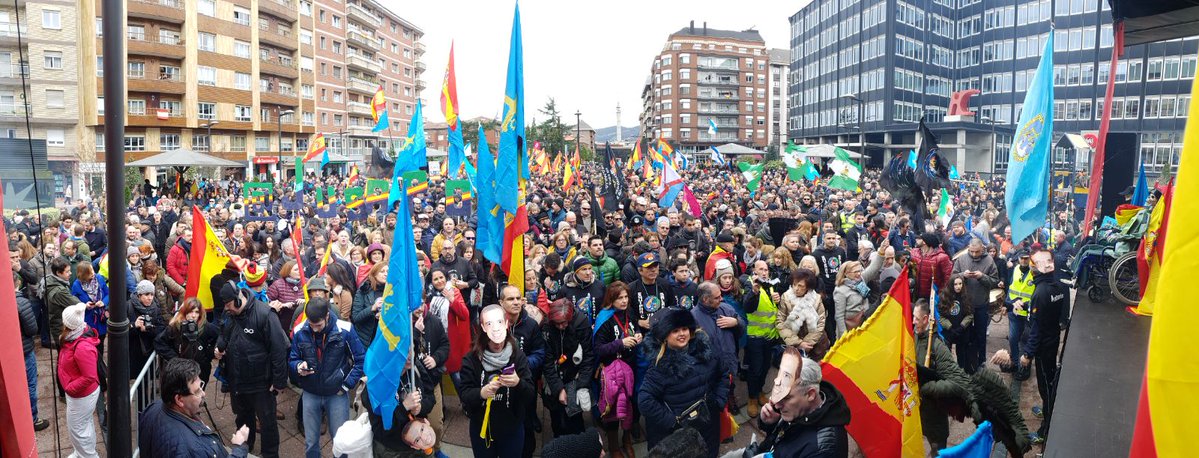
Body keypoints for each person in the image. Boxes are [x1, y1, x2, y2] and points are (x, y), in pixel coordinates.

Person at [214, 281, 291, 458]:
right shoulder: (229, 313)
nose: (227, 309)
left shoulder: (265, 314)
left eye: (229, 304)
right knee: (242, 418)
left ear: (239, 300)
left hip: (261, 384)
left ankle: (270, 454)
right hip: (237, 381)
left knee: (267, 422)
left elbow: (278, 350)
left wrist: (279, 381)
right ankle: (245, 448)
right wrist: (219, 347)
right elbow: (223, 333)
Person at [638, 307, 729, 456]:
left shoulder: (705, 350)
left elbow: (723, 373)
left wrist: (718, 401)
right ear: (665, 336)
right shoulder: (659, 366)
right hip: (680, 434)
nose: (681, 334)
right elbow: (645, 400)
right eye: (675, 331)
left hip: (708, 425)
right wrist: (673, 422)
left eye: (684, 329)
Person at [289, 297, 366, 458]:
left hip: (336, 394)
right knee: (311, 442)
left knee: (341, 441)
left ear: (327, 316)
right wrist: (298, 367)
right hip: (310, 392)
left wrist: (345, 385)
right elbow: (293, 359)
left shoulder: (345, 329)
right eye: (311, 325)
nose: (314, 329)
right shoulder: (300, 330)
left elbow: (360, 360)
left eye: (318, 325)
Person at [459, 304, 536, 458]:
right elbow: (464, 394)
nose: (497, 344)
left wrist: (518, 383)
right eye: (492, 338)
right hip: (482, 428)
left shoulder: (517, 356)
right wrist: (481, 393)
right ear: (483, 330)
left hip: (512, 428)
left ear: (506, 327)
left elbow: (530, 394)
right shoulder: (471, 359)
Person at [138, 358, 251, 457]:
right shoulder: (193, 449)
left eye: (201, 385)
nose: (203, 393)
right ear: (179, 400)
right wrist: (239, 448)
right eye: (197, 391)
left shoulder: (152, 408)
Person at [1020, 250, 1071, 445]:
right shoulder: (1057, 285)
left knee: (1046, 386)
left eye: (1033, 266)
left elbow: (1036, 328)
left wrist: (1027, 354)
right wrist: (1028, 306)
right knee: (1047, 382)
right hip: (1052, 340)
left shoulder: (1040, 292)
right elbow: (1049, 313)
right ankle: (1045, 407)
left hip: (1043, 347)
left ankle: (1044, 430)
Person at [756, 355, 851, 457]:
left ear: (810, 394)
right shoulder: (796, 407)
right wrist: (770, 423)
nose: (777, 405)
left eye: (787, 397)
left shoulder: (825, 450)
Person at [912, 299, 973, 451]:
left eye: (917, 319)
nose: (913, 322)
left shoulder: (938, 347)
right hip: (914, 411)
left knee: (938, 450)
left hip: (934, 414)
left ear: (926, 319)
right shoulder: (913, 337)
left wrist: (929, 387)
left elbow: (958, 383)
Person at [592, 281, 640, 458]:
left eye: (626, 297)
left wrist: (637, 336)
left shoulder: (630, 313)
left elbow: (633, 328)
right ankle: (613, 447)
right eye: (620, 298)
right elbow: (598, 349)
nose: (624, 301)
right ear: (611, 299)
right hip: (611, 370)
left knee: (630, 406)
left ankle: (627, 441)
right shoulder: (604, 318)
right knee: (612, 408)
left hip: (630, 367)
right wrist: (620, 343)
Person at [541, 298, 596, 437]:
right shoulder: (547, 325)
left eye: (564, 323)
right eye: (557, 324)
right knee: (556, 418)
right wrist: (558, 389)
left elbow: (589, 355)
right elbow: (546, 361)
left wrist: (582, 384)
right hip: (553, 374)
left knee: (575, 419)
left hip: (575, 375)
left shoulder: (581, 322)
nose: (561, 326)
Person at [58, 303, 102, 458]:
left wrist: (70, 387)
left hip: (81, 394)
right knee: (84, 425)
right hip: (80, 393)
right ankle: (83, 453)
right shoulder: (74, 337)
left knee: (78, 429)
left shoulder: (82, 347)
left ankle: (88, 455)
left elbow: (89, 376)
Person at [742, 259, 782, 418]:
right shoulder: (750, 285)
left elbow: (772, 310)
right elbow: (748, 307)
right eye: (761, 269)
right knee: (755, 368)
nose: (764, 272)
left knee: (765, 367)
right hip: (755, 336)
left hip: (770, 335)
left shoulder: (771, 285)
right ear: (754, 270)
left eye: (766, 270)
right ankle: (752, 398)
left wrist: (778, 301)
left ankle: (759, 392)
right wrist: (754, 292)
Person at [15, 256, 50, 430]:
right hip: (24, 348)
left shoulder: (23, 265)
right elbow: (31, 329)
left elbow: (32, 277)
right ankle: (32, 419)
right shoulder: (21, 302)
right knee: (29, 384)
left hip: (13, 350)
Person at [952, 238, 998, 370]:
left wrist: (982, 277)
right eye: (971, 251)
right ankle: (962, 360)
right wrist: (962, 275)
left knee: (980, 333)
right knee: (963, 332)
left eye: (976, 252)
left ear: (982, 249)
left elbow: (995, 281)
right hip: (964, 304)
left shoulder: (989, 260)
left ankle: (981, 360)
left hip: (980, 304)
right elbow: (952, 277)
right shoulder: (961, 259)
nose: (973, 254)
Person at [156, 297, 220, 383]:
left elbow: (219, 337)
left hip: (201, 371)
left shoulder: (206, 327)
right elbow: (159, 342)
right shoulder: (175, 326)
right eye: (190, 311)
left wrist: (209, 353)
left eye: (196, 312)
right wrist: (174, 358)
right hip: (179, 371)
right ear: (185, 312)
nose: (193, 315)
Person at [777, 269, 829, 359]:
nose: (796, 288)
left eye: (801, 286)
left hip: (816, 344)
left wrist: (807, 344)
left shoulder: (816, 299)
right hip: (792, 342)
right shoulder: (786, 297)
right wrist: (798, 343)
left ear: (808, 287)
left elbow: (821, 322)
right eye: (794, 284)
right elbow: (780, 322)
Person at [129, 280, 168, 381]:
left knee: (146, 380)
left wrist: (148, 329)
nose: (150, 298)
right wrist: (134, 325)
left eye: (152, 294)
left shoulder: (155, 307)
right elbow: (119, 331)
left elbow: (161, 329)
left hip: (148, 350)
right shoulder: (128, 307)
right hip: (133, 351)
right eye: (146, 294)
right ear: (139, 295)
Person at [938, 274, 977, 373]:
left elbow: (970, 315)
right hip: (949, 330)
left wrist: (962, 327)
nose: (958, 286)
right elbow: (941, 317)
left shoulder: (967, 296)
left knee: (962, 353)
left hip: (962, 330)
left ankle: (962, 371)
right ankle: (948, 371)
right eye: (955, 284)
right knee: (946, 352)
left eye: (960, 284)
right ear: (951, 285)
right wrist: (950, 328)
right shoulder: (944, 297)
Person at [559, 256, 606, 322]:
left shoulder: (600, 286)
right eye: (584, 269)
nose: (588, 273)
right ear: (576, 272)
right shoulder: (566, 289)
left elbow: (606, 308)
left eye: (589, 269)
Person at [352, 262, 388, 347]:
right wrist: (373, 308)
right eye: (382, 271)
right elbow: (356, 317)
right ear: (374, 274)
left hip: (386, 338)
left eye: (388, 271)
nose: (386, 274)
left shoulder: (393, 291)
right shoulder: (363, 290)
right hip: (367, 339)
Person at [832, 261, 868, 339]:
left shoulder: (861, 282)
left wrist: (881, 253)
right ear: (846, 273)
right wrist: (844, 335)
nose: (859, 274)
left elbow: (873, 269)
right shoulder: (840, 290)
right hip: (849, 328)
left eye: (859, 271)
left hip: (863, 324)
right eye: (855, 272)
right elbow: (839, 316)